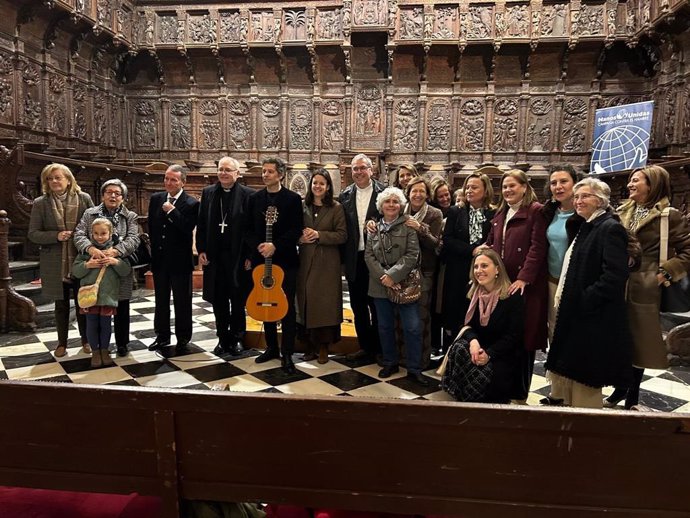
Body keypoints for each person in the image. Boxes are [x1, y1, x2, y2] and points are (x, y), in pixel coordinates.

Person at [607, 165, 690, 409]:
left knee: (639, 341)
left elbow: (687, 250)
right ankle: (620, 385)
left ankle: (632, 393)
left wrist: (664, 273)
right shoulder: (623, 210)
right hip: (618, 282)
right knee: (618, 337)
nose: (630, 184)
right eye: (631, 181)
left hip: (645, 286)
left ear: (652, 184)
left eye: (636, 180)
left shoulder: (669, 215)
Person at [545, 178, 633, 409]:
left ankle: (587, 431)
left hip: (592, 316)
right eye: (576, 197)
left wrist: (584, 300)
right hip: (578, 314)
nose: (578, 201)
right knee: (574, 376)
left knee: (586, 381)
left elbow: (614, 276)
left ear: (601, 200)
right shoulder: (588, 224)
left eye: (585, 196)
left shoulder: (610, 227)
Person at [485, 169, 547, 401]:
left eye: (513, 185)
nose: (508, 190)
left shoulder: (535, 211)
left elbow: (537, 247)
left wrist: (524, 277)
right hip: (502, 282)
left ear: (524, 186)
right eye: (505, 187)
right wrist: (484, 252)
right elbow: (493, 242)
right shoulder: (501, 213)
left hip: (524, 284)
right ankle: (505, 384)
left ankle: (520, 389)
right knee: (506, 334)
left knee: (524, 336)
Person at [364, 187, 428, 386]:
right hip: (379, 285)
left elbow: (412, 254)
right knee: (384, 326)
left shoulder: (408, 225)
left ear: (400, 205)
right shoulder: (373, 228)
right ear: (381, 206)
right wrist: (384, 276)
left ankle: (414, 368)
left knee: (413, 327)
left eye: (395, 201)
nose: (391, 205)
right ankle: (390, 362)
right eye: (387, 201)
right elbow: (368, 255)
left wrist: (393, 276)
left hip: (404, 284)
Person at [28, 163, 94, 358]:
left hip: (81, 259)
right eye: (50, 178)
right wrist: (55, 236)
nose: (54, 181)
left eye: (58, 177)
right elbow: (33, 234)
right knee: (61, 305)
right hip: (55, 262)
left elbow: (95, 224)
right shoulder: (41, 202)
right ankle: (62, 343)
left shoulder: (83, 199)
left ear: (68, 179)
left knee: (84, 302)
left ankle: (86, 340)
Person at [441, 249, 523, 403]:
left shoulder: (512, 297)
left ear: (497, 269)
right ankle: (462, 395)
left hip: (501, 352)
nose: (479, 271)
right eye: (476, 267)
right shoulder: (471, 291)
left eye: (484, 266)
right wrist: (473, 341)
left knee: (491, 384)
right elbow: (463, 324)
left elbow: (513, 336)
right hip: (477, 345)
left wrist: (489, 354)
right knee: (459, 348)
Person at [246, 157, 303, 374]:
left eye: (270, 171)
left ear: (280, 174)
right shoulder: (254, 199)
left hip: (286, 261)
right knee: (265, 302)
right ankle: (271, 347)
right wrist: (259, 246)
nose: (265, 175)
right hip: (262, 260)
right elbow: (247, 229)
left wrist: (275, 246)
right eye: (264, 171)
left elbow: (296, 229)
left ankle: (287, 352)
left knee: (286, 307)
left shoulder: (292, 199)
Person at [74, 179, 140, 357]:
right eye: (109, 192)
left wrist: (116, 251)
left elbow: (134, 238)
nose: (113, 195)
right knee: (94, 310)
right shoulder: (90, 214)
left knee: (122, 306)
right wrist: (91, 249)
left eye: (117, 193)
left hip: (118, 267)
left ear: (123, 198)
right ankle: (98, 348)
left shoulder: (130, 216)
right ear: (102, 195)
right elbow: (79, 234)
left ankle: (122, 344)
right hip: (94, 267)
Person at [197, 157, 253, 356]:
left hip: (237, 257)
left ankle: (238, 338)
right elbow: (202, 223)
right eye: (220, 169)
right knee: (219, 300)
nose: (223, 173)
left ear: (237, 174)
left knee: (238, 300)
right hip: (215, 257)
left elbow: (251, 229)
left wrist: (250, 255)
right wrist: (201, 250)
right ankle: (222, 338)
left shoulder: (248, 195)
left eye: (228, 170)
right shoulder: (209, 193)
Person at [296, 169, 347, 364]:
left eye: (322, 184)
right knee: (306, 302)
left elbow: (342, 235)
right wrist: (299, 238)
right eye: (315, 183)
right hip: (306, 261)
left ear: (328, 187)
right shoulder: (303, 206)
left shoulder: (336, 208)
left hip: (327, 264)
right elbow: (294, 229)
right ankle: (309, 345)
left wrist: (319, 235)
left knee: (325, 305)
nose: (317, 186)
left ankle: (325, 347)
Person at [147, 164, 199, 353]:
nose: (168, 183)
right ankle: (162, 336)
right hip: (160, 260)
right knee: (160, 301)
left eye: (173, 180)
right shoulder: (156, 199)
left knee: (182, 301)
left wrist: (172, 211)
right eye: (166, 179)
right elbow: (152, 228)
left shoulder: (191, 203)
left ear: (182, 182)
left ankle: (183, 337)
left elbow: (187, 228)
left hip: (180, 262)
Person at [339, 153, 384, 361]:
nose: (358, 172)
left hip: (377, 259)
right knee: (358, 306)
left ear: (371, 169)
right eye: (355, 169)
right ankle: (366, 347)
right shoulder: (345, 195)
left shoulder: (384, 193)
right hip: (354, 259)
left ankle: (380, 349)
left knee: (377, 306)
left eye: (362, 168)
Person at [442, 172, 495, 342]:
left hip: (484, 270)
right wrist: (471, 250)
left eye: (474, 187)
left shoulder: (493, 213)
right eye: (467, 187)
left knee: (479, 310)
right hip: (458, 268)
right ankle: (453, 350)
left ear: (486, 191)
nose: (469, 191)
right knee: (456, 310)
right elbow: (448, 239)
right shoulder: (455, 211)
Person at [72, 219, 132, 368]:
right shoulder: (86, 253)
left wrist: (115, 262)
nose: (100, 237)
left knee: (105, 324)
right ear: (91, 234)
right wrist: (87, 265)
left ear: (111, 234)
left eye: (104, 233)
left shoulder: (115, 252)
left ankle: (105, 350)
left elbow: (126, 271)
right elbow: (76, 272)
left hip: (108, 296)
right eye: (96, 234)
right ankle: (96, 352)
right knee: (91, 324)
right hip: (90, 297)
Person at [402, 176, 442, 368]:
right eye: (414, 191)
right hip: (402, 271)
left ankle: (422, 360)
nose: (417, 195)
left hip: (424, 271)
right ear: (408, 193)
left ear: (427, 194)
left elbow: (436, 244)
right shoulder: (400, 211)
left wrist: (420, 228)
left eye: (421, 191)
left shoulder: (434, 214)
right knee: (401, 317)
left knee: (421, 317)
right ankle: (404, 357)